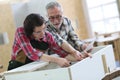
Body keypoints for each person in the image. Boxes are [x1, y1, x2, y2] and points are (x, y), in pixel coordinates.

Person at [8, 13, 83, 70]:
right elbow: (31, 53)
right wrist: (57, 60)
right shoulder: (21, 32)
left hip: (33, 66)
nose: (43, 33)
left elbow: (62, 53)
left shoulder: (47, 35)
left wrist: (79, 57)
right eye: (38, 32)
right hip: (17, 68)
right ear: (30, 32)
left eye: (44, 28)